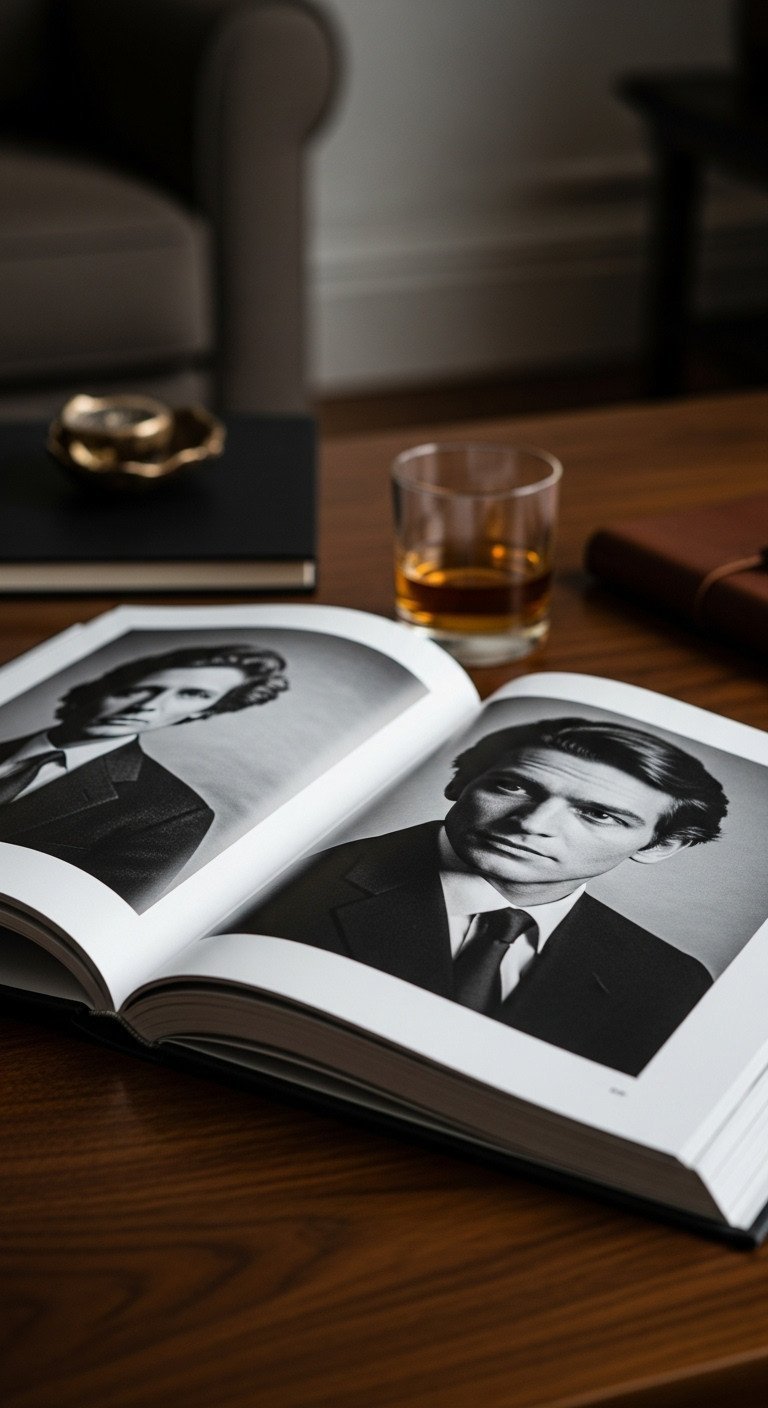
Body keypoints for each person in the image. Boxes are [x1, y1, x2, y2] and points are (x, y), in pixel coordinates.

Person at [250, 716, 729, 1075]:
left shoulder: (670, 980)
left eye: (597, 815)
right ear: (461, 783)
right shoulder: (286, 888)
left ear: (662, 846)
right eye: (512, 786)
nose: (531, 824)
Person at [0, 643, 288, 910]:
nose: (147, 705)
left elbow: (94, 916)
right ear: (100, 689)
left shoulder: (176, 813)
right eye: (138, 690)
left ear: (203, 712)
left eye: (194, 694)